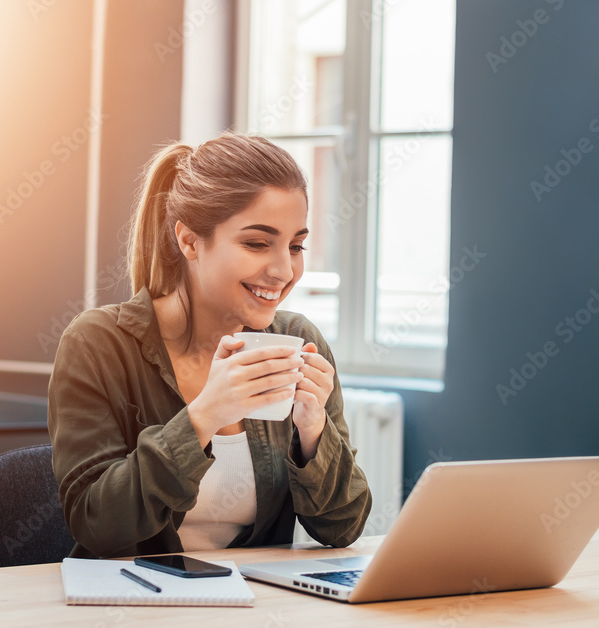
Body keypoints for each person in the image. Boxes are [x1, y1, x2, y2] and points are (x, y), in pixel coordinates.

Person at [48, 132, 372, 558]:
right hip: (131, 610)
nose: (282, 270)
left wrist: (313, 434)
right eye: (257, 243)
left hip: (255, 613)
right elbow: (97, 523)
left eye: (295, 246)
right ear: (188, 241)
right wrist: (204, 416)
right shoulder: (99, 344)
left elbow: (343, 528)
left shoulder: (300, 341)